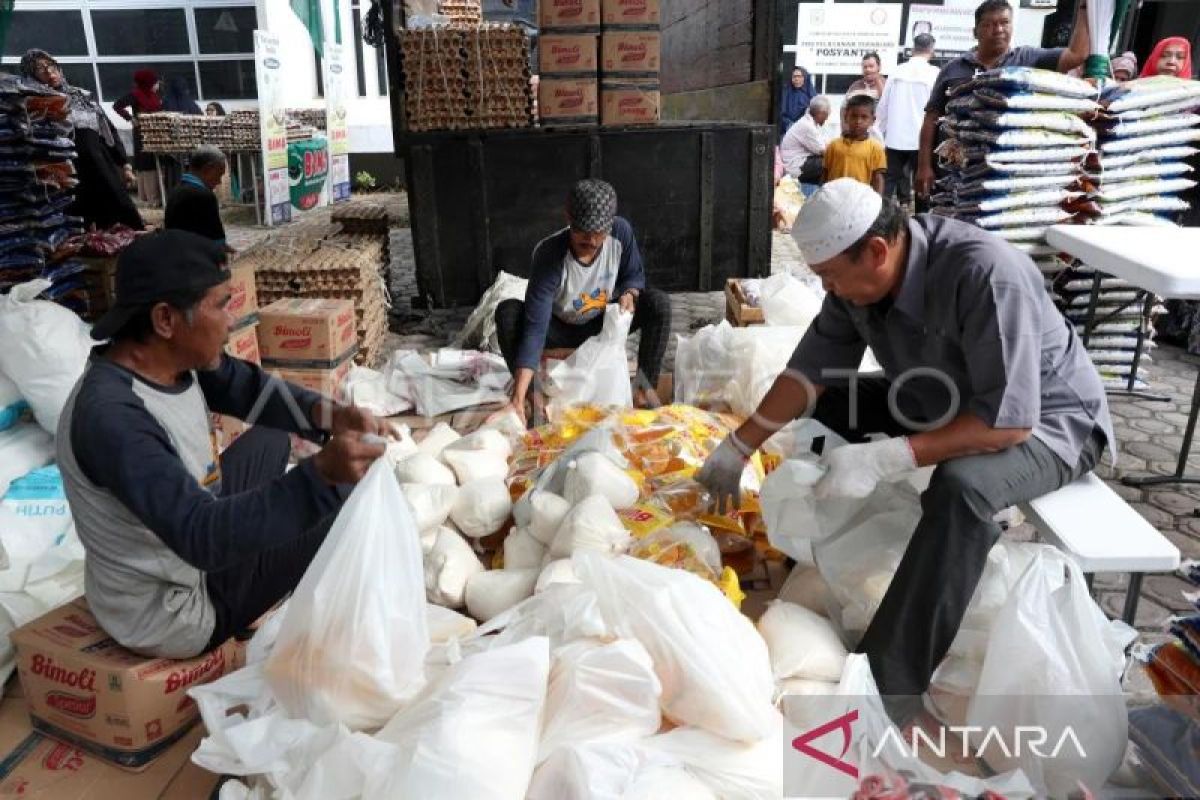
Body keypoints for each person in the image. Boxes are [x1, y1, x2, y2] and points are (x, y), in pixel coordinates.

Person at [696, 179, 1113, 725]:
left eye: (831, 278)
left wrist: (887, 458)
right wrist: (737, 446)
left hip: (1049, 424)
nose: (831, 291)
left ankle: (890, 685)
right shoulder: (859, 283)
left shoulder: (985, 273)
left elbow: (1007, 419)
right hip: (938, 397)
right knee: (831, 405)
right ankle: (819, 560)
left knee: (962, 488)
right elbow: (808, 375)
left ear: (875, 250)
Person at [57, 230, 390, 659]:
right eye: (220, 305)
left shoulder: (166, 359)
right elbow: (202, 536)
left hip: (182, 546)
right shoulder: (111, 418)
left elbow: (245, 388)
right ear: (165, 320)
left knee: (271, 438)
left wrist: (332, 416)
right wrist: (322, 477)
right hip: (171, 610)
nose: (232, 320)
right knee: (339, 508)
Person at [494, 179, 672, 422]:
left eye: (599, 233)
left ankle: (643, 391)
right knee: (508, 313)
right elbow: (536, 327)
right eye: (582, 233)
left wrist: (630, 293)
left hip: (599, 322)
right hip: (557, 328)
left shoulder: (621, 233)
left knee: (658, 303)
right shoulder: (549, 254)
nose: (591, 240)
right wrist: (517, 395)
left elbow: (633, 275)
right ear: (568, 218)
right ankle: (531, 403)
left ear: (610, 225)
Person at [916, 0, 1090, 199]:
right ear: (975, 31)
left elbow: (1076, 55)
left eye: (1004, 23)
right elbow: (931, 118)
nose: (998, 29)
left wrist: (1085, 10)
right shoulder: (953, 69)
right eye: (989, 24)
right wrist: (924, 166)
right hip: (958, 171)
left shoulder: (1028, 59)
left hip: (1009, 171)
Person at [20, 49, 144, 231]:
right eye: (40, 69)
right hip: (66, 171)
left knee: (121, 216)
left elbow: (107, 129)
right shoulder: (32, 104)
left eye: (51, 66)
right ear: (31, 75)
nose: (49, 72)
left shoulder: (82, 96)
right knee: (78, 224)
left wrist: (124, 163)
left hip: (99, 165)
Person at [877, 34, 940, 207]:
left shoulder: (897, 71)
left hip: (894, 139)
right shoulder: (934, 74)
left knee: (887, 185)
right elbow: (938, 109)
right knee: (922, 185)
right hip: (922, 141)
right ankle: (922, 225)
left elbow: (883, 106)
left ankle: (882, 221)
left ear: (913, 49)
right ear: (931, 51)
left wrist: (880, 133)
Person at [113, 69, 163, 206]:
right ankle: (150, 198)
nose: (157, 84)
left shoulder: (155, 95)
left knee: (153, 162)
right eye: (154, 82)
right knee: (146, 163)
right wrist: (130, 118)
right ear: (147, 83)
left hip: (156, 133)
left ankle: (154, 197)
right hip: (142, 134)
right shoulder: (135, 95)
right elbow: (117, 106)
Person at [165, 145, 229, 250]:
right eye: (219, 175)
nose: (219, 181)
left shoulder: (176, 190)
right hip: (197, 257)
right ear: (207, 169)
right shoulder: (204, 196)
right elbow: (217, 240)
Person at [823, 95, 887, 193]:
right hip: (834, 199)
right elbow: (825, 174)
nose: (858, 121)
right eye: (854, 116)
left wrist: (877, 201)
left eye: (864, 117)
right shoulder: (833, 145)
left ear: (872, 120)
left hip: (860, 201)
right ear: (845, 117)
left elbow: (878, 178)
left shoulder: (876, 148)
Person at [780, 96, 834, 184]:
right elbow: (823, 150)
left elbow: (823, 143)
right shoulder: (807, 126)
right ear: (820, 113)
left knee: (829, 159)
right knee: (831, 160)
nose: (827, 118)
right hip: (793, 166)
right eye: (826, 115)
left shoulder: (809, 122)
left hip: (798, 161)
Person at [780, 66, 816, 137]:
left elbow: (815, 113)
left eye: (799, 76)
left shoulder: (811, 94)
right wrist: (792, 126)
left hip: (806, 131)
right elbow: (781, 113)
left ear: (805, 78)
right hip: (788, 131)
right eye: (794, 77)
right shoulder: (785, 92)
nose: (796, 79)